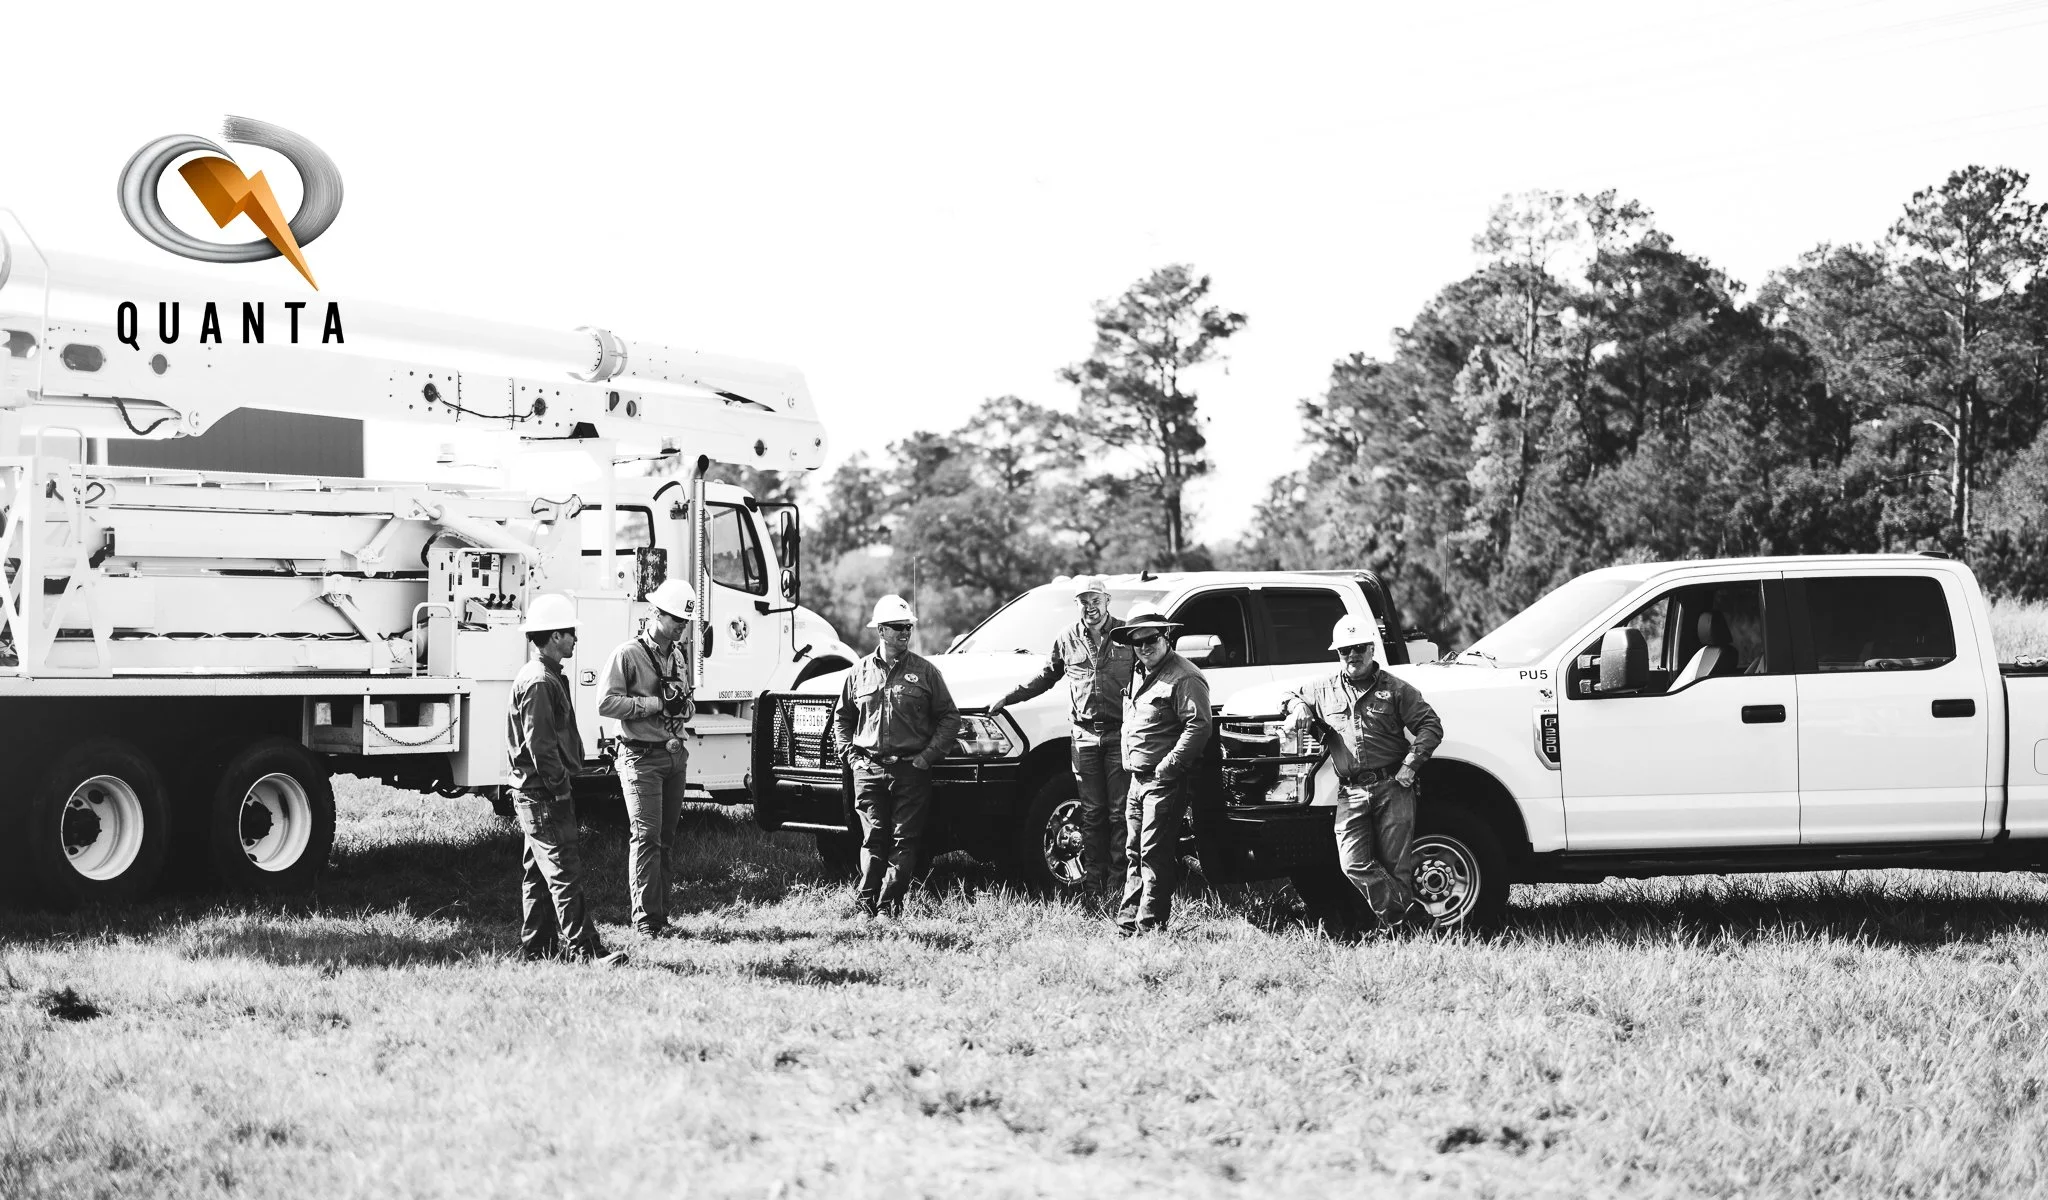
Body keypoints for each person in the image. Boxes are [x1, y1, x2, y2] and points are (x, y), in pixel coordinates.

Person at [1281, 614, 1444, 935]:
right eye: (1344, 651)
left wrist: (1411, 764)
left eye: (1358, 648)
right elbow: (1291, 696)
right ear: (1337, 654)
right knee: (1353, 863)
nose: (1352, 656)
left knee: (1398, 867)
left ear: (1372, 649)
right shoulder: (1322, 689)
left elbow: (1430, 725)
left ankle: (1400, 933)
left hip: (1393, 786)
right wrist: (1296, 707)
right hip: (1350, 791)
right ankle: (1414, 918)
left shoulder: (1397, 689)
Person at [988, 576, 1135, 894]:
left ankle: (1120, 880)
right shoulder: (1066, 638)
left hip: (1119, 735)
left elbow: (1151, 673)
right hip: (1083, 736)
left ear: (1107, 601)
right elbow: (1045, 677)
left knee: (1119, 811)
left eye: (1096, 600)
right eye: (1084, 601)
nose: (1090, 607)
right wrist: (1008, 698)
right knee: (1092, 812)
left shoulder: (1127, 634)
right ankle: (1095, 882)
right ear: (1077, 604)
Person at [507, 594, 626, 966]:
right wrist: (560, 789)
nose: (576, 639)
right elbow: (540, 744)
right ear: (556, 636)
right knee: (563, 872)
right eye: (571, 633)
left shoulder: (542, 676)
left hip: (534, 790)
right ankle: (587, 951)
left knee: (539, 875)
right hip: (543, 792)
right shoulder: (541, 681)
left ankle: (538, 949)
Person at [834, 595, 961, 917]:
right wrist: (851, 757)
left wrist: (927, 757)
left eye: (908, 627)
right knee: (873, 838)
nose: (905, 632)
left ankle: (888, 907)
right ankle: (865, 906)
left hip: (911, 771)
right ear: (880, 631)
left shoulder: (926, 671)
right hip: (868, 768)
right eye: (897, 627)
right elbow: (842, 719)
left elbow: (950, 717)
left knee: (904, 840)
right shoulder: (858, 673)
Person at [599, 578, 698, 938]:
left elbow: (687, 704)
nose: (680, 628)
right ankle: (646, 921)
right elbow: (606, 703)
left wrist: (682, 706)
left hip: (674, 757)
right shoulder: (627, 654)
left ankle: (660, 916)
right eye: (675, 620)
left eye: (684, 623)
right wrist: (655, 704)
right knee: (646, 838)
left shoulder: (678, 656)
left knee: (665, 840)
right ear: (653, 613)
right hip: (640, 758)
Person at [1111, 611, 1211, 934]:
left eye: (1151, 638)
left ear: (1166, 636)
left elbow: (1199, 726)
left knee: (1154, 853)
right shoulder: (1138, 672)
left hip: (1162, 780)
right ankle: (1129, 923)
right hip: (1137, 780)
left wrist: (1168, 767)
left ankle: (1150, 926)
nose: (1144, 646)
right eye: (1137, 641)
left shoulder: (1185, 676)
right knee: (1134, 850)